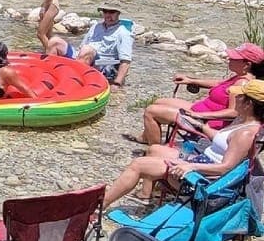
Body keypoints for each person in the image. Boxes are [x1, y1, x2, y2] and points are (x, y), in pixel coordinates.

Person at [102, 80, 264, 209]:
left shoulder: (246, 133)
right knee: (155, 149)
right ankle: (145, 196)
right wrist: (200, 125)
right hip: (204, 163)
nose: (235, 98)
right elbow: (223, 140)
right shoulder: (244, 122)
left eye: (240, 96)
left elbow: (226, 168)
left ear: (248, 104)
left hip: (204, 181)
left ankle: (98, 209)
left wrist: (190, 166)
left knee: (138, 165)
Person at [123, 42, 264, 146]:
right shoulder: (239, 77)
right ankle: (147, 137)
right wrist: (191, 80)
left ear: (247, 64)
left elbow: (233, 113)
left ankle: (154, 150)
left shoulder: (242, 84)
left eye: (234, 58)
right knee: (159, 102)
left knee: (151, 111)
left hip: (207, 120)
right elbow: (219, 84)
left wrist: (200, 116)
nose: (229, 59)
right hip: (200, 109)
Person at [78, 6, 133, 86]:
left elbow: (126, 61)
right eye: (105, 11)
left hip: (104, 66)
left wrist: (117, 84)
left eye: (111, 12)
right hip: (85, 58)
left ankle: (77, 80)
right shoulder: (96, 27)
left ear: (118, 13)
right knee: (58, 43)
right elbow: (81, 47)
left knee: (87, 50)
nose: (107, 15)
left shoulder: (123, 33)